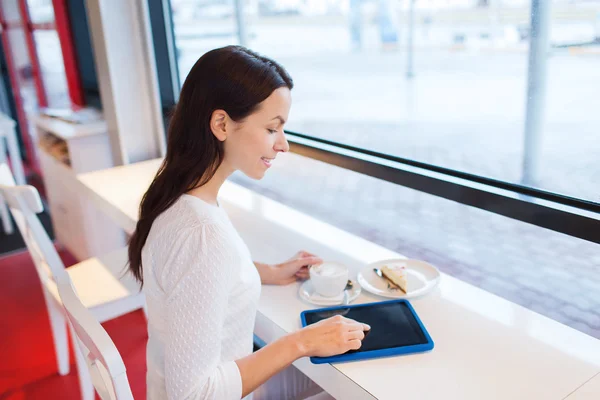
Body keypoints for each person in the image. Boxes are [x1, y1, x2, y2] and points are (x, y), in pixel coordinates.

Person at [126, 45, 370, 399]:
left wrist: (266, 272)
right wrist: (300, 342)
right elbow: (194, 395)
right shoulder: (203, 236)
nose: (283, 145)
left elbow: (191, 275)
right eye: (273, 129)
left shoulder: (176, 200)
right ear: (221, 124)